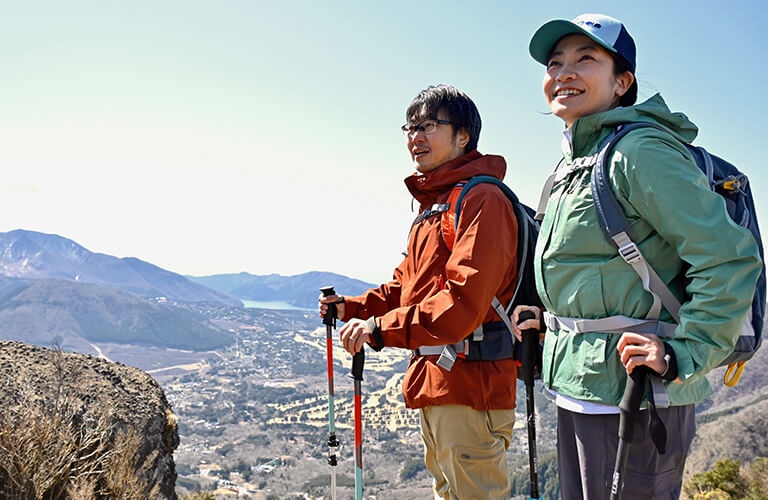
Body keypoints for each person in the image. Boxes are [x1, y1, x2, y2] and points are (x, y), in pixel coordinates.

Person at [509, 13, 762, 499]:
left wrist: (683, 352)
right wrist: (554, 318)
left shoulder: (638, 151)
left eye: (586, 59)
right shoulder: (574, 166)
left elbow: (729, 258)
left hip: (638, 397)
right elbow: (604, 269)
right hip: (581, 389)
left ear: (622, 81)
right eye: (554, 62)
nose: (563, 72)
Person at [319, 84, 520, 499]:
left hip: (471, 389)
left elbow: (460, 306)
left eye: (428, 126)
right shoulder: (435, 207)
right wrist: (349, 308)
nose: (415, 138)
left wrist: (377, 329)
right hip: (436, 384)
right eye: (410, 128)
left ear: (463, 135)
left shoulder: (482, 200)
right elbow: (403, 288)